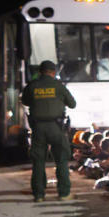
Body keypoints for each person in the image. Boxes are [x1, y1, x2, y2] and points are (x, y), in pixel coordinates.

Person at [21, 60, 77, 201]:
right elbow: (72, 104)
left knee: (38, 161)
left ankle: (39, 194)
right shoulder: (59, 86)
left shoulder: (32, 86)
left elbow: (25, 101)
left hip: (38, 128)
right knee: (61, 160)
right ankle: (64, 193)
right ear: (53, 72)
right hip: (56, 127)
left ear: (40, 72)